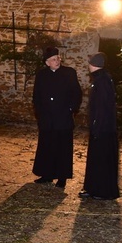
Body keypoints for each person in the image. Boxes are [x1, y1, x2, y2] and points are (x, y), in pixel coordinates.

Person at [32, 47, 82, 189]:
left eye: (58, 58)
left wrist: (71, 108)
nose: (57, 61)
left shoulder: (69, 73)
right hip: (47, 119)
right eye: (53, 59)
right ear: (47, 63)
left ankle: (62, 177)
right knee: (47, 146)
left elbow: (77, 93)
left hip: (63, 117)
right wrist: (39, 112)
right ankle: (46, 174)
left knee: (62, 147)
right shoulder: (41, 75)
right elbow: (36, 95)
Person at [80, 52, 121, 200]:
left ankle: (102, 190)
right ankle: (93, 188)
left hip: (103, 129)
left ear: (93, 64)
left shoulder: (102, 81)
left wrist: (97, 125)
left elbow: (103, 107)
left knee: (102, 160)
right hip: (100, 127)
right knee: (95, 160)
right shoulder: (100, 78)